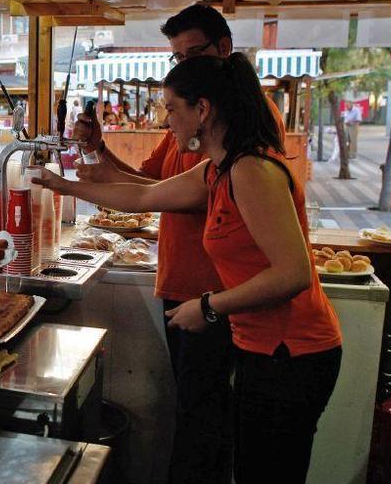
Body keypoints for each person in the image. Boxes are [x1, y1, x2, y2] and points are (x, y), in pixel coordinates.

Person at [36, 53, 342, 484]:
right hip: (260, 345)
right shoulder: (219, 169)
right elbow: (146, 197)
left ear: (203, 110)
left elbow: (292, 273)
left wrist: (210, 306)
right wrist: (64, 184)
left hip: (292, 351)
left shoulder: (252, 170)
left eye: (172, 108)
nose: (166, 121)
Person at [72, 4, 287, 484]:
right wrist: (98, 155)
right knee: (198, 414)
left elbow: (190, 195)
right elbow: (149, 186)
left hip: (216, 293)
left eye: (194, 55)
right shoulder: (189, 117)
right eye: (176, 58)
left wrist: (211, 306)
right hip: (183, 285)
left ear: (224, 51)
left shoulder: (247, 122)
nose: (184, 69)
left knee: (207, 423)